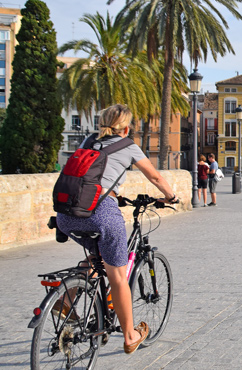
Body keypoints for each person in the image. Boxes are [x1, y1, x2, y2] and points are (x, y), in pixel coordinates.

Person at [56, 104, 179, 355]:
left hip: (66, 215)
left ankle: (65, 301)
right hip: (101, 214)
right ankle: (130, 335)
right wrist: (171, 197)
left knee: (96, 257)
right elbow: (155, 177)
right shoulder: (127, 145)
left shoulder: (88, 142)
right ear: (125, 128)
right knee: (118, 276)